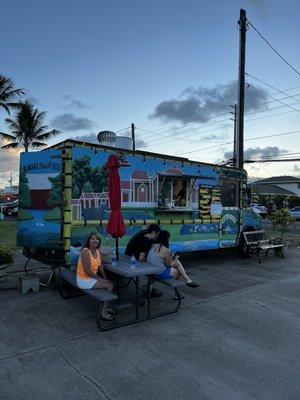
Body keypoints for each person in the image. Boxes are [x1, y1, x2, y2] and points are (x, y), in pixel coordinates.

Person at [147, 230, 198, 299]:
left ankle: (188, 280)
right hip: (158, 273)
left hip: (150, 271)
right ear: (166, 239)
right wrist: (176, 259)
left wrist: (172, 257)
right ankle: (178, 294)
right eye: (169, 238)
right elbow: (168, 265)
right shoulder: (165, 250)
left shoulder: (153, 245)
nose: (169, 240)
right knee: (178, 272)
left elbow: (160, 260)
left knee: (177, 263)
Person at [76, 232, 115, 321]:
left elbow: (100, 266)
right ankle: (104, 312)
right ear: (88, 240)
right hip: (83, 279)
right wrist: (100, 279)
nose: (95, 241)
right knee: (110, 286)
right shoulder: (85, 251)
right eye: (92, 239)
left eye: (97, 239)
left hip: (91, 277)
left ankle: (106, 306)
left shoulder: (97, 250)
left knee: (109, 283)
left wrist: (104, 278)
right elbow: (87, 270)